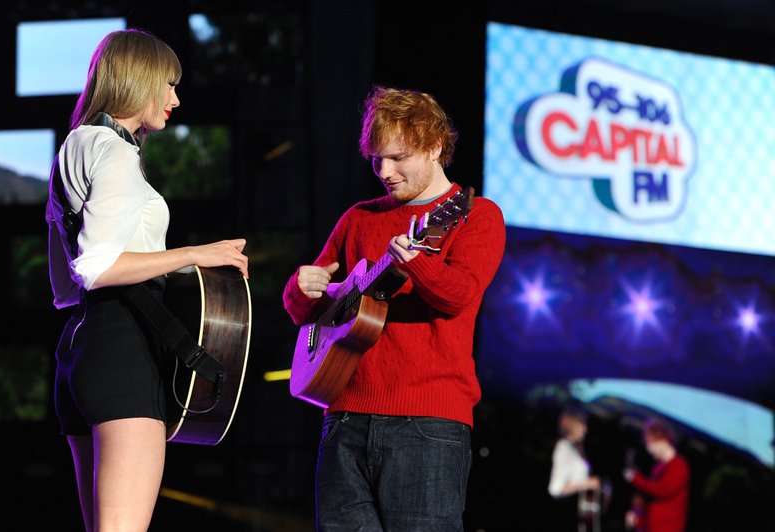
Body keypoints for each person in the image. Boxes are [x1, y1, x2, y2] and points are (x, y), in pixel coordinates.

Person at [45, 29, 249, 532]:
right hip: (122, 352)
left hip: (80, 350)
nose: (175, 99)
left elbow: (65, 288)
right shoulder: (113, 150)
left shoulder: (73, 146)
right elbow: (96, 269)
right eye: (169, 85)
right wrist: (196, 254)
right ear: (139, 79)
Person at [282, 85, 506, 530]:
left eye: (398, 157)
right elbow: (307, 313)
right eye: (376, 159)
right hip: (343, 418)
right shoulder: (358, 218)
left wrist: (416, 262)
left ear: (435, 147)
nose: (384, 171)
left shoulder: (476, 215)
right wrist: (301, 288)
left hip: (428, 424)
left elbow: (458, 296)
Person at [624, 418, 690, 532]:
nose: (648, 448)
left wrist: (636, 479)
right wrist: (638, 520)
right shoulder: (658, 467)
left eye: (650, 443)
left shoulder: (679, 466)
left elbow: (662, 490)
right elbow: (652, 502)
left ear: (663, 440)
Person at [548, 406, 603, 532]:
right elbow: (555, 489)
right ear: (572, 426)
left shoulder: (575, 448)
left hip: (581, 516)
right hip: (568, 518)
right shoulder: (563, 448)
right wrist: (586, 484)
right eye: (582, 424)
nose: (585, 429)